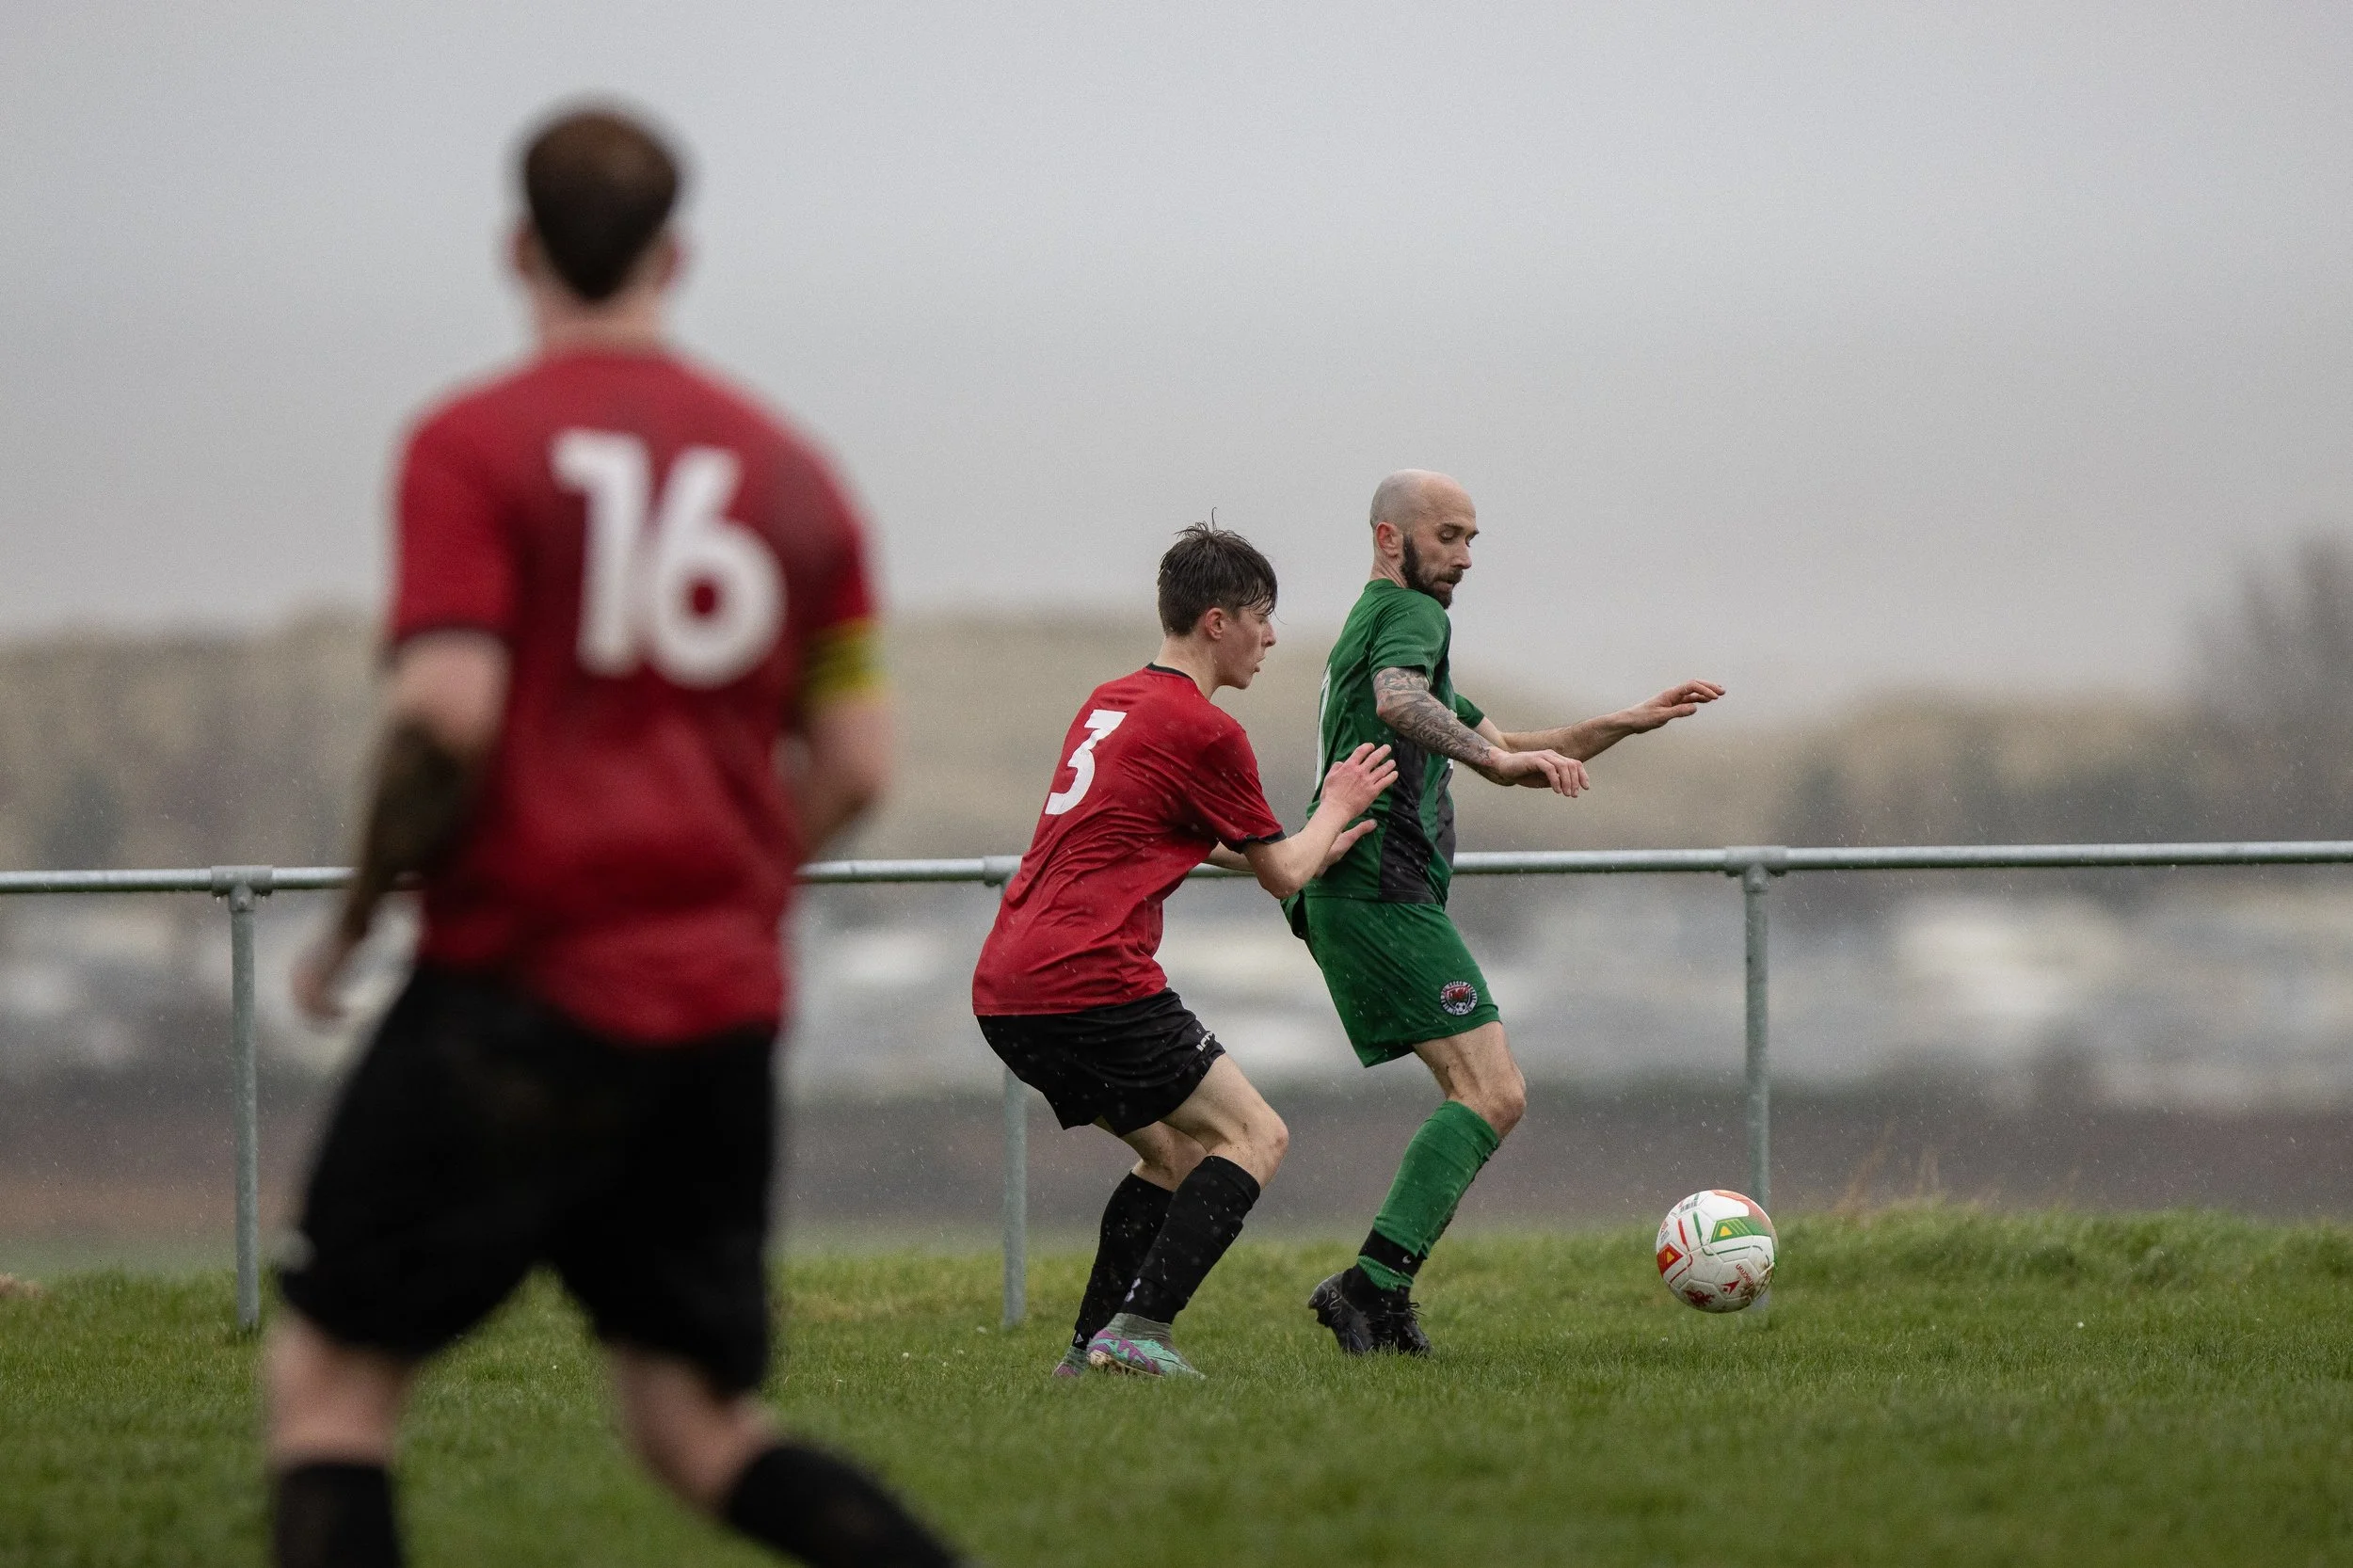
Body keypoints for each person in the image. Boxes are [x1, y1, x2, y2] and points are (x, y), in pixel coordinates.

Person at [267, 105, 961, 1568]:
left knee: (334, 1382)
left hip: (513, 989)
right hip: (714, 1006)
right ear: (676, 253)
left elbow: (446, 715)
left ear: (518, 246)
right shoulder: (794, 474)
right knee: (694, 1425)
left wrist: (348, 919)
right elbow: (857, 760)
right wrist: (727, 883)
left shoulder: (468, 445)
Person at [1290, 470, 1723, 1356]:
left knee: (1479, 1091)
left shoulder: (1380, 625)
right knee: (1494, 1092)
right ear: (1388, 539)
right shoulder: (1411, 617)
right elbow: (1402, 704)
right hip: (1380, 888)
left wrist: (1627, 721)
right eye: (1447, 535)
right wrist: (1493, 769)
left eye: (1473, 539)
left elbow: (1515, 741)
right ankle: (1370, 1289)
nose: (1463, 556)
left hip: (1363, 893)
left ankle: (1376, 1293)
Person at [972, 524, 1396, 1380]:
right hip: (1089, 979)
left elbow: (1175, 835)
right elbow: (1283, 876)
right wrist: (1334, 809)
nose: (1271, 637)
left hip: (1008, 987)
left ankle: (1087, 1354)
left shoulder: (1112, 701)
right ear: (1215, 622)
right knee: (1257, 1134)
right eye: (1261, 618)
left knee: (1173, 1155)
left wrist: (1306, 842)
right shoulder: (1205, 729)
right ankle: (1139, 1334)